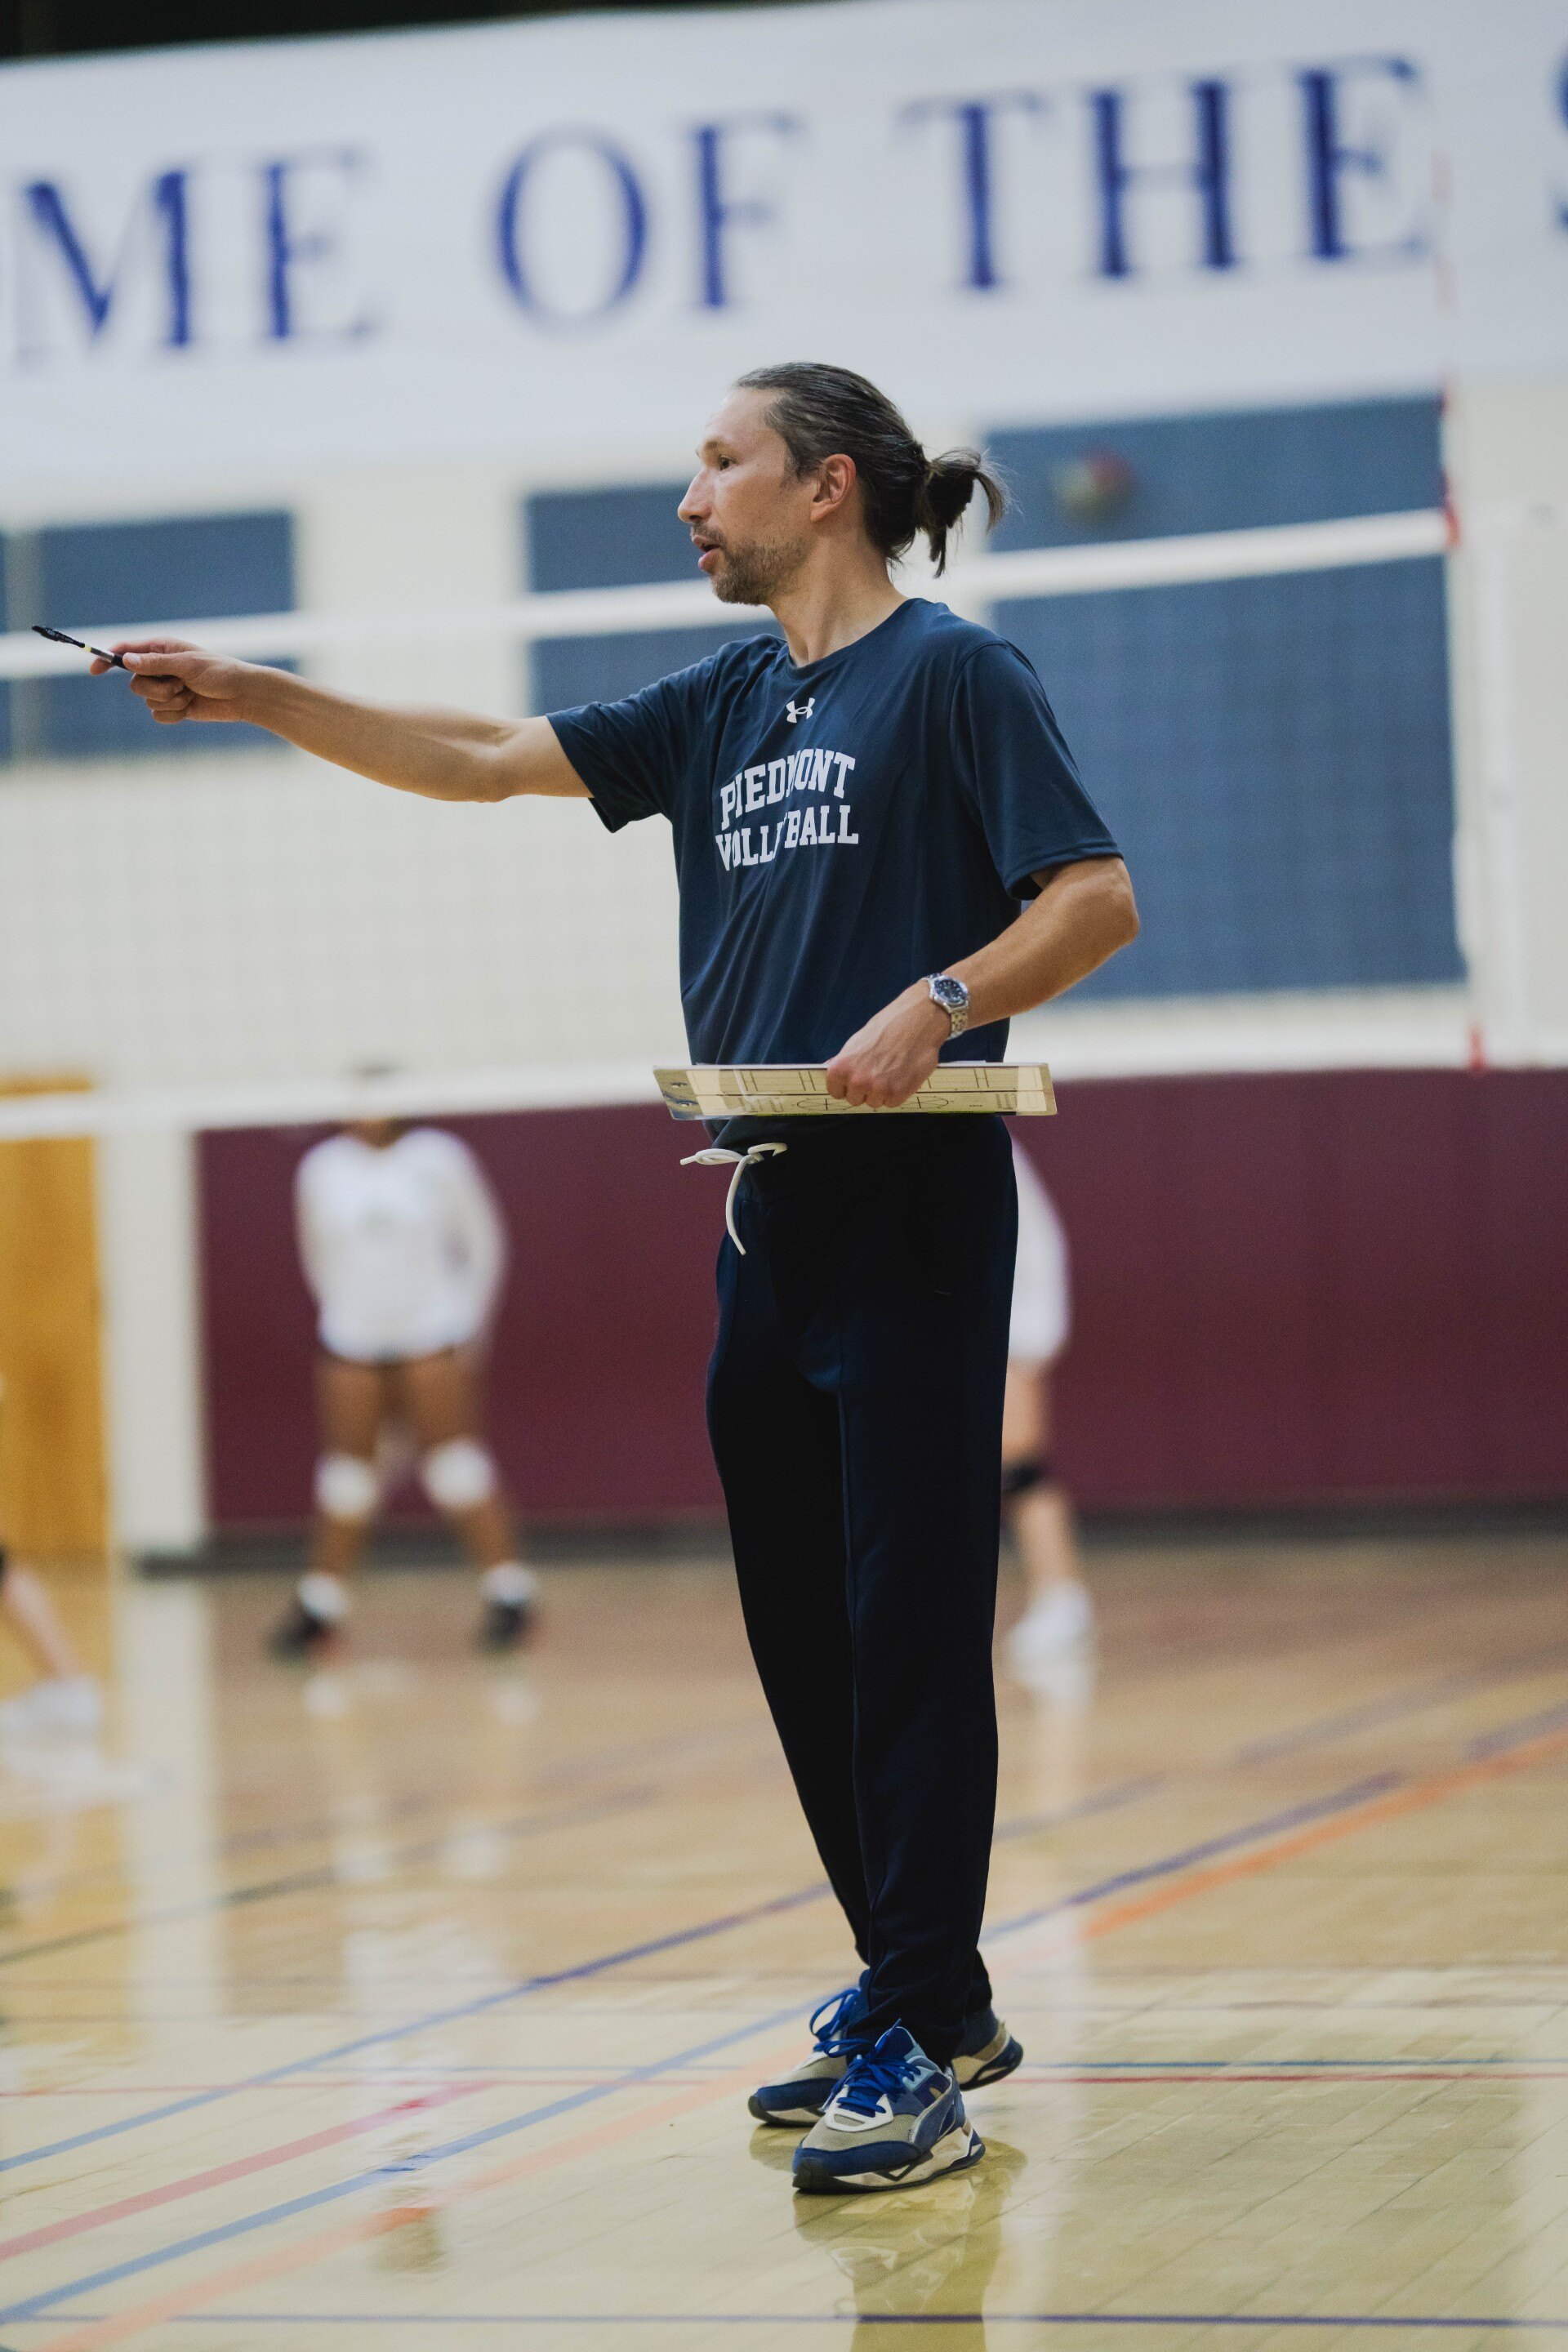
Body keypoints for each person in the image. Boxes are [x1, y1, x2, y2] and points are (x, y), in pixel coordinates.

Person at [101, 361, 1138, 2195]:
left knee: (908, 1631)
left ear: (824, 489)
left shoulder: (957, 675)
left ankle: (918, 2038)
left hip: (913, 1197)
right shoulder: (724, 698)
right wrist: (258, 694)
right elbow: (487, 760)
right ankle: (925, 1990)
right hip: (763, 1210)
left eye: (719, 461)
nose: (691, 495)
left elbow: (1095, 900)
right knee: (801, 1637)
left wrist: (945, 994)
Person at [270, 1115, 539, 1659]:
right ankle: (321, 1606)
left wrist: (469, 1329)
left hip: (432, 1334)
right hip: (352, 1338)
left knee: (454, 1467)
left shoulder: (438, 1157)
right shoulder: (322, 1167)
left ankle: (510, 1595)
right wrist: (344, 1314)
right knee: (348, 1476)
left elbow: (483, 1244)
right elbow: (316, 1255)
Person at [1003, 1142, 1094, 1682]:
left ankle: (1060, 1595)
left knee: (1019, 1465)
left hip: (1009, 1326)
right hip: (962, 1329)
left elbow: (1034, 1254)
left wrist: (1027, 1341)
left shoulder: (982, 1144)